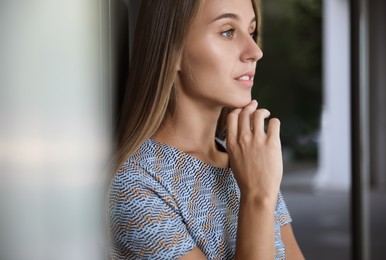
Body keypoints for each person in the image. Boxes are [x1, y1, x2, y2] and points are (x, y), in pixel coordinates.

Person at [109, 0, 304, 259]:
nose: (255, 51)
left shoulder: (248, 163)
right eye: (228, 31)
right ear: (173, 50)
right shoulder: (135, 186)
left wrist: (261, 190)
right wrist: (257, 198)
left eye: (252, 31)